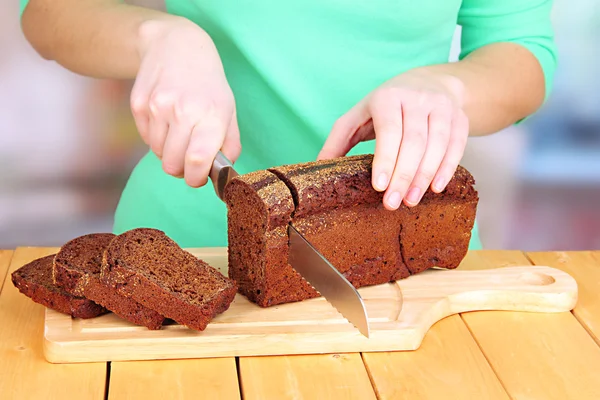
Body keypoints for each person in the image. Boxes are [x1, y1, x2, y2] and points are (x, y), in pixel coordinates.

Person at [19, 0, 556, 249]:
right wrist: (158, 36)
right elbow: (48, 12)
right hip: (189, 235)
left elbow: (521, 50)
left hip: (407, 242)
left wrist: (447, 87)